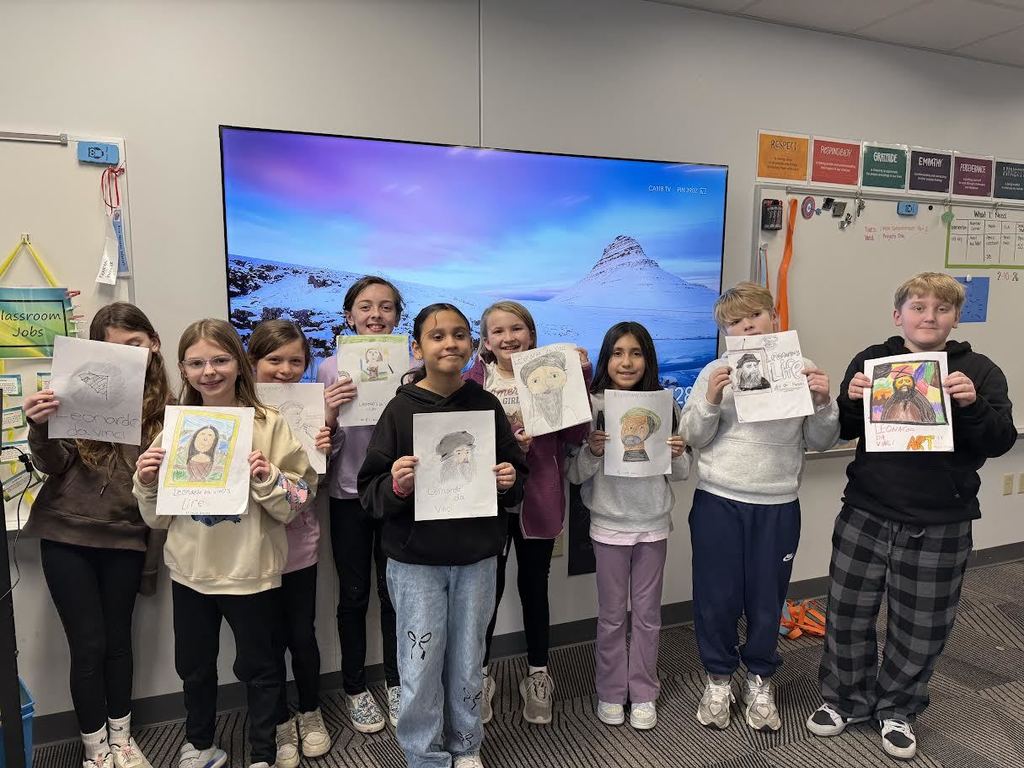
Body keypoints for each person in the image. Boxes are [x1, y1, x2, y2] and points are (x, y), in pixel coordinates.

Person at [806, 272, 1016, 760]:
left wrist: (972, 406)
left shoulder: (979, 372)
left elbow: (1000, 440)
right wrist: (850, 399)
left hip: (941, 519)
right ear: (897, 314)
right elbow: (845, 430)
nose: (929, 316)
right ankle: (845, 700)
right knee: (847, 613)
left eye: (941, 309)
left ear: (956, 317)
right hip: (867, 509)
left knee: (922, 624)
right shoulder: (872, 361)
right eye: (918, 307)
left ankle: (898, 708)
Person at [134, 319, 317, 768]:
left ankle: (262, 753)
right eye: (196, 363)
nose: (208, 371)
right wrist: (145, 481)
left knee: (260, 669)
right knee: (194, 669)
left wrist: (268, 477)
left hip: (250, 571)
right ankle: (199, 744)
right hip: (191, 572)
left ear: (240, 363)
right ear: (183, 369)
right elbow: (156, 517)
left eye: (220, 359)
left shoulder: (269, 425)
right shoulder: (174, 429)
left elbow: (299, 496)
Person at [358, 303, 527, 768]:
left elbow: (517, 471)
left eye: (459, 334)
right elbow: (368, 491)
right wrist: (396, 484)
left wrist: (511, 477)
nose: (449, 343)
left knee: (470, 657)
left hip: (476, 557)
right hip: (415, 563)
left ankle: (466, 744)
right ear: (418, 348)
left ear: (472, 344)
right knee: (420, 662)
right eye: (437, 336)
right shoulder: (399, 410)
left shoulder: (486, 405)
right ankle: (424, 753)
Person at [680, 282, 839, 732]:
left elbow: (821, 441)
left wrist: (825, 403)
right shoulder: (715, 370)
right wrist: (711, 398)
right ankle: (717, 678)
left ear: (775, 318)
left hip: (776, 503)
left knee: (767, 599)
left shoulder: (802, 369)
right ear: (726, 332)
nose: (747, 325)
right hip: (718, 499)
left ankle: (760, 678)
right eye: (735, 321)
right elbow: (691, 436)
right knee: (716, 598)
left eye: (755, 315)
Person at [23, 302, 171, 768]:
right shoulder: (78, 390)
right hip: (67, 533)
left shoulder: (170, 409)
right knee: (87, 646)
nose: (128, 354)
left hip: (126, 535)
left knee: (118, 642)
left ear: (153, 344)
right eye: (113, 348)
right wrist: (40, 426)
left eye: (135, 344)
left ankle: (123, 739)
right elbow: (52, 464)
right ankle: (95, 748)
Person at [464, 300, 590, 725]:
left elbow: (576, 432)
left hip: (538, 496)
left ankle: (538, 673)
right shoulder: (474, 380)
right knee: (486, 592)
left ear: (532, 335)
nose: (508, 338)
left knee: (535, 588)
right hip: (487, 502)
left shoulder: (550, 371)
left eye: (516, 329)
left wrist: (579, 379)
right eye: (497, 331)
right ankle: (479, 675)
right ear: (485, 340)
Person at [567, 321, 689, 730]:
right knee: (612, 616)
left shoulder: (666, 405)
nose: (626, 361)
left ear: (647, 359)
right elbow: (576, 474)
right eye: (617, 352)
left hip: (653, 524)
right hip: (608, 525)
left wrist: (678, 451)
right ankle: (610, 691)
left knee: (649, 615)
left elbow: (683, 472)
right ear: (606, 357)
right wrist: (593, 451)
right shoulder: (592, 405)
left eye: (635, 353)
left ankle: (644, 691)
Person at [248, 319, 345, 767]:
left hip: (299, 541)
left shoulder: (311, 409)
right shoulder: (232, 411)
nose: (285, 370)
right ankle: (279, 720)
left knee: (301, 635)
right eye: (274, 360)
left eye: (295, 361)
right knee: (262, 642)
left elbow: (317, 481)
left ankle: (310, 712)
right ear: (252, 363)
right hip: (250, 547)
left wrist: (328, 436)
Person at [317, 275, 405, 732]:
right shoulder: (329, 369)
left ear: (398, 315)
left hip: (396, 496)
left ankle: (395, 682)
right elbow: (319, 447)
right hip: (347, 495)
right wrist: (330, 415)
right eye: (366, 306)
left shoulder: (412, 368)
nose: (376, 315)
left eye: (386, 307)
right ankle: (354, 688)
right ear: (349, 315)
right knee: (353, 596)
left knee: (395, 596)